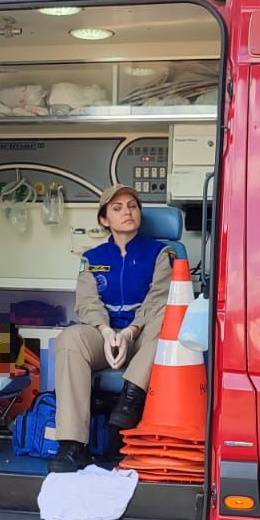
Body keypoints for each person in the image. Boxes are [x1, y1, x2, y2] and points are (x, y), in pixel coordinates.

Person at [48, 184, 175, 473]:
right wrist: (105, 331)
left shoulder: (159, 253)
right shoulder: (92, 258)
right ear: (105, 220)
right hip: (106, 339)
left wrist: (132, 331)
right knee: (69, 338)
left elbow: (159, 300)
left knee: (168, 319)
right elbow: (87, 302)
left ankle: (128, 401)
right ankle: (71, 445)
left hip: (142, 338)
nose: (127, 212)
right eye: (117, 208)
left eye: (132, 206)